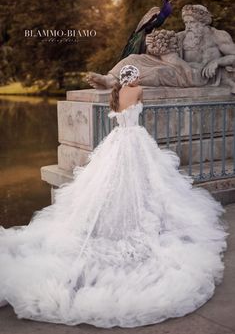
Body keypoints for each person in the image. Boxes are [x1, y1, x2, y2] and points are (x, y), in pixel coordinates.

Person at [0, 65, 229, 328]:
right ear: (134, 78)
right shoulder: (138, 90)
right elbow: (139, 109)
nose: (139, 78)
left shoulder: (117, 93)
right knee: (144, 181)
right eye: (137, 75)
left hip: (117, 140)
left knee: (111, 183)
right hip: (135, 140)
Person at [86, 5, 235, 93]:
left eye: (192, 22)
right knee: (135, 58)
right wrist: (151, 45)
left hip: (198, 76)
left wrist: (217, 62)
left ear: (203, 22)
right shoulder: (182, 36)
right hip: (178, 67)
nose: (188, 26)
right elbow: (163, 49)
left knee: (159, 72)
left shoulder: (218, 36)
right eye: (186, 22)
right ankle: (110, 78)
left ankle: (117, 83)